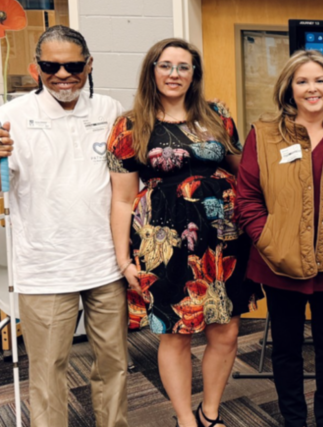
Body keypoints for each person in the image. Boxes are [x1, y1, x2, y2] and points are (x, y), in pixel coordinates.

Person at [107, 38, 260, 427]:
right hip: (164, 242)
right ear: (152, 70)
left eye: (183, 67)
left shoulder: (216, 115)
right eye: (166, 65)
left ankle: (209, 413)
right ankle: (184, 420)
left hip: (224, 238)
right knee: (175, 332)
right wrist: (125, 260)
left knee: (225, 332)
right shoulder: (129, 125)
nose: (174, 74)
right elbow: (122, 199)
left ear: (194, 74)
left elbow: (243, 171)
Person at [234, 50, 323, 427]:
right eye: (302, 81)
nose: (312, 88)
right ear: (289, 88)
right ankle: (294, 422)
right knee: (285, 349)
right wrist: (267, 240)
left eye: (319, 80)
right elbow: (247, 196)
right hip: (278, 261)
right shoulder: (264, 135)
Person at [0, 25, 128, 427]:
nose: (62, 74)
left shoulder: (110, 110)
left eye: (73, 65)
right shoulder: (11, 116)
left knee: (114, 364)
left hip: (105, 262)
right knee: (49, 369)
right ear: (35, 68)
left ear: (89, 65)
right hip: (45, 266)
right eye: (50, 66)